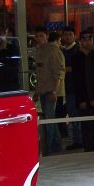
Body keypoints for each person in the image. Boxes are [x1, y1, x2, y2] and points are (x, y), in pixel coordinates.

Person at [32, 26, 65, 154]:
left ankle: (50, 148)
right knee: (50, 118)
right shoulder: (39, 51)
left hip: (51, 90)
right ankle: (55, 146)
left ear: (46, 36)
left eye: (41, 36)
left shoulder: (53, 51)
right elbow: (40, 74)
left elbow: (59, 72)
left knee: (49, 119)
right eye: (37, 36)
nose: (39, 38)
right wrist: (37, 91)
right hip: (44, 90)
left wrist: (55, 91)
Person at [72, 29, 94, 151]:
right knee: (86, 126)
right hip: (83, 97)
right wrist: (81, 99)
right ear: (80, 41)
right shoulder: (77, 57)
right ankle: (88, 150)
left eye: (89, 39)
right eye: (84, 39)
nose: (87, 42)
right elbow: (77, 81)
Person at [61, 26, 83, 150]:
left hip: (75, 88)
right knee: (72, 114)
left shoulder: (77, 50)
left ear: (74, 36)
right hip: (66, 88)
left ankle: (79, 140)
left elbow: (77, 68)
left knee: (75, 115)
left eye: (70, 34)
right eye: (66, 34)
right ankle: (76, 139)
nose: (68, 37)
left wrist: (64, 69)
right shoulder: (62, 51)